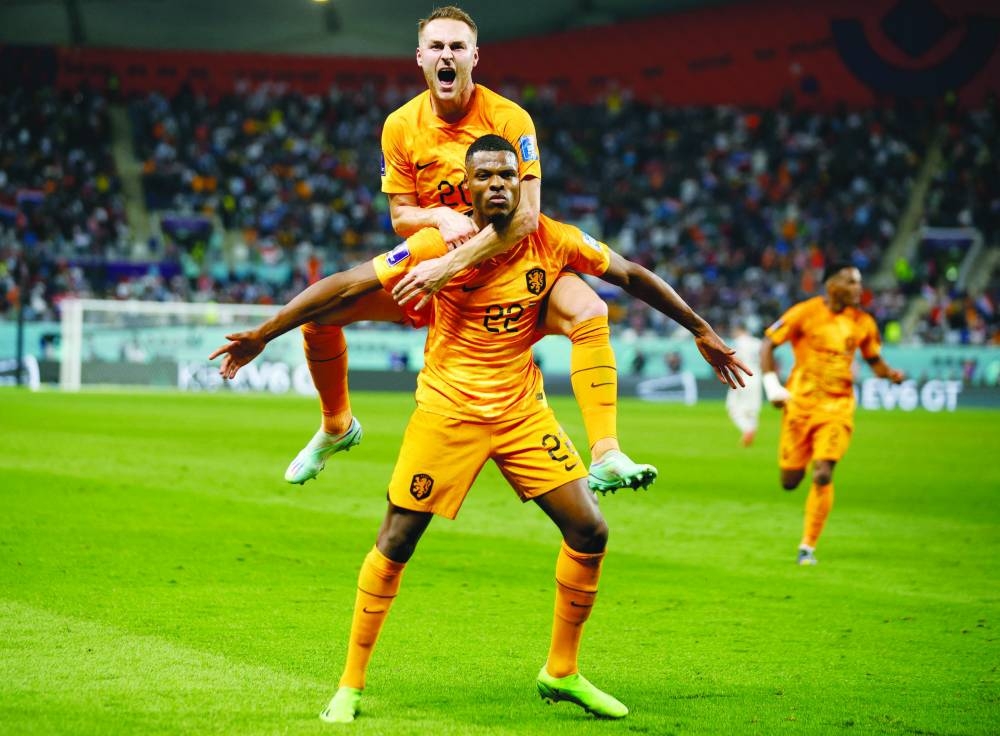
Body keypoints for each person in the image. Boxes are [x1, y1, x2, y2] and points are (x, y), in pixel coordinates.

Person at [210, 136, 751, 724]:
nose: (497, 184)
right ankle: (350, 684)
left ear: (521, 184)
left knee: (590, 530)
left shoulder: (553, 237)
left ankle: (562, 671)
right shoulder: (435, 243)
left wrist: (700, 328)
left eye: (507, 175)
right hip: (448, 412)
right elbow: (346, 284)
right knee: (396, 541)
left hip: (521, 413)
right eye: (485, 176)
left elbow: (632, 275)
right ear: (465, 189)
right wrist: (267, 331)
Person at [286, 5, 655, 494]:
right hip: (436, 271)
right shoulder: (399, 125)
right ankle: (337, 425)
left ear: (474, 56)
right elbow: (401, 217)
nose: (446, 54)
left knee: (590, 310)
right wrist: (438, 217)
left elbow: (525, 217)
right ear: (419, 56)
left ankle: (606, 452)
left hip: (506, 269)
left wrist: (453, 261)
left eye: (456, 46)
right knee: (320, 315)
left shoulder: (509, 117)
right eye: (436, 46)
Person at [760, 263, 905, 565]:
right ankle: (805, 531)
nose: (858, 289)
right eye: (851, 282)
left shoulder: (863, 322)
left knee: (824, 472)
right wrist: (772, 385)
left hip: (838, 407)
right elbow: (768, 344)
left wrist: (890, 374)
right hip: (800, 405)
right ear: (832, 285)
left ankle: (807, 547)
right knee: (789, 480)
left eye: (859, 283)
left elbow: (874, 359)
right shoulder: (805, 312)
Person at [725, 321, 762, 447]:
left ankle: (747, 429)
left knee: (732, 408)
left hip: (742, 378)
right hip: (756, 377)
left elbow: (734, 361)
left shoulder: (738, 343)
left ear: (739, 330)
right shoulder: (758, 343)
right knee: (751, 410)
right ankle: (751, 430)